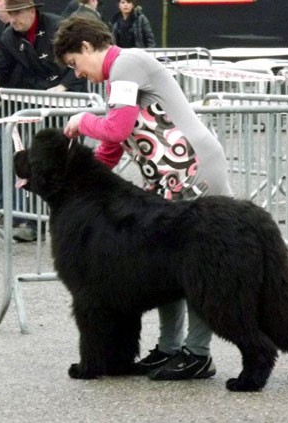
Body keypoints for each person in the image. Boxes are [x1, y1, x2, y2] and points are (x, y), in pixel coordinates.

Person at [53, 16, 233, 380]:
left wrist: (81, 120)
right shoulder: (118, 76)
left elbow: (115, 127)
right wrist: (82, 180)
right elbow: (111, 147)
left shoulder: (126, 63)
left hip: (193, 169)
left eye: (74, 63)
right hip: (169, 176)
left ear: (87, 47)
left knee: (196, 263)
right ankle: (169, 347)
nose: (78, 73)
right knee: (165, 262)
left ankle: (197, 353)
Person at [0, 0, 87, 242]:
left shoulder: (59, 28)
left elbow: (80, 59)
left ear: (32, 11)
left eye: (18, 13)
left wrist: (65, 85)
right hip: (21, 109)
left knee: (57, 165)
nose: (14, 19)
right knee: (19, 162)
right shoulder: (8, 36)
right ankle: (25, 219)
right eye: (10, 14)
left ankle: (64, 219)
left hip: (60, 108)